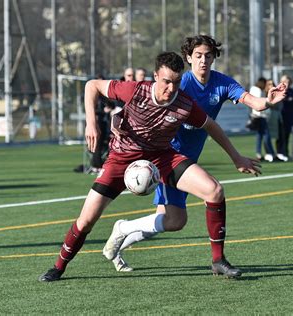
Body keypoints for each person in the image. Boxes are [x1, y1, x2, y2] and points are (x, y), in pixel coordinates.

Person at [38, 51, 267, 282]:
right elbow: (92, 86)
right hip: (121, 158)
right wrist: (91, 123)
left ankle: (218, 261)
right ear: (156, 76)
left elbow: (211, 126)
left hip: (161, 156)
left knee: (214, 190)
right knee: (86, 220)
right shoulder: (135, 90)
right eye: (166, 81)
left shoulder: (184, 104)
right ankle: (58, 267)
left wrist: (236, 157)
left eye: (176, 83)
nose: (171, 89)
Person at [106, 35, 287, 275]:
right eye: (198, 56)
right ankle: (217, 260)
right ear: (189, 58)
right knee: (184, 212)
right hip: (167, 157)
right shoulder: (181, 82)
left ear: (214, 58)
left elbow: (252, 101)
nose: (203, 61)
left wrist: (268, 101)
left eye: (208, 56)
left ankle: (121, 234)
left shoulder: (223, 84)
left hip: (189, 160)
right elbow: (147, 98)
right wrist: (119, 118)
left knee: (171, 220)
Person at [249, 77, 275, 162]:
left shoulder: (252, 89)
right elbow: (260, 104)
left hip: (255, 115)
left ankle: (259, 154)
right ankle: (270, 153)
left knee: (259, 135)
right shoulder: (259, 91)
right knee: (266, 135)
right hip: (260, 116)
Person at [276, 75, 293, 160]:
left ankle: (285, 152)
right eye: (284, 82)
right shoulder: (279, 91)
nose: (286, 84)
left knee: (287, 135)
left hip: (289, 116)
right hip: (281, 116)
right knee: (280, 136)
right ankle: (280, 153)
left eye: (288, 82)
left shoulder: (291, 91)